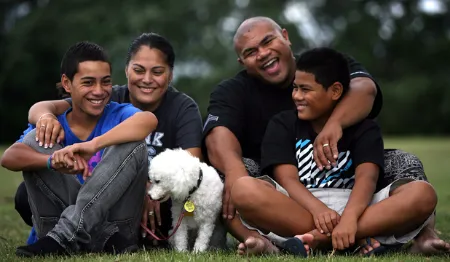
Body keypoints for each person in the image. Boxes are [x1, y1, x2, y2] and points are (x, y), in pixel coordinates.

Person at [202, 16, 449, 255]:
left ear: (285, 37)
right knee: (234, 178)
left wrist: (334, 125)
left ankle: (415, 235)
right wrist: (235, 172)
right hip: (279, 180)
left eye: (268, 41)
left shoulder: (325, 65)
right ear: (241, 61)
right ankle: (345, 237)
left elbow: (365, 89)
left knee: (408, 166)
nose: (263, 53)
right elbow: (217, 134)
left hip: (349, 172)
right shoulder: (234, 90)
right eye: (250, 52)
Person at [17, 33, 225, 249]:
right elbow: (50, 106)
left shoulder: (182, 108)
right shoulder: (104, 96)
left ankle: (71, 235)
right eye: (138, 70)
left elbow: (189, 166)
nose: (146, 79)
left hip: (154, 201)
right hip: (99, 194)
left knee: (133, 145)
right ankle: (100, 236)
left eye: (157, 72)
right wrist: (45, 117)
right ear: (126, 70)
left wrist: (146, 184)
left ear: (171, 75)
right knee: (25, 193)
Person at [0, 41, 158, 257]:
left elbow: (148, 120)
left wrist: (93, 145)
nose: (99, 91)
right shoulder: (52, 122)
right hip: (107, 238)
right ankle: (89, 235)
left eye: (106, 82)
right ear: (67, 83)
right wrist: (52, 161)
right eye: (88, 82)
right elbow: (10, 157)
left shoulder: (119, 113)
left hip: (118, 227)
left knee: (133, 141)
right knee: (37, 140)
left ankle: (65, 237)